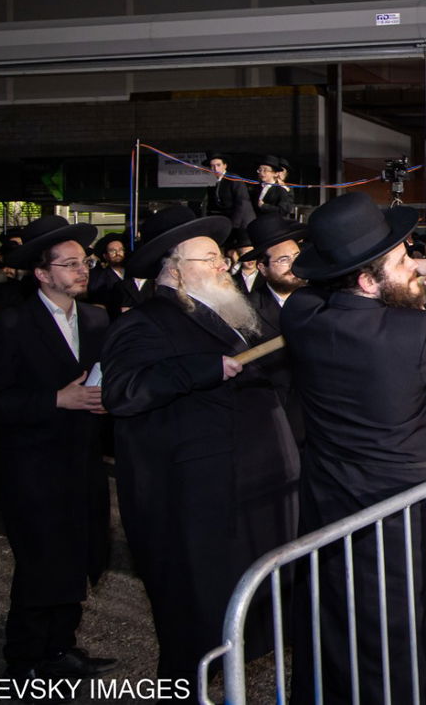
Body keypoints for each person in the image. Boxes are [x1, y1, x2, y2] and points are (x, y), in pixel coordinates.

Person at [281, 192, 426, 705]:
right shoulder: (413, 332)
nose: (414, 266)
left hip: (332, 494)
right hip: (403, 507)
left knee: (336, 609)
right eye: (402, 260)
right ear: (365, 279)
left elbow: (315, 293)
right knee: (404, 618)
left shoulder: (302, 316)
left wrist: (404, 270)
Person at [102, 206, 299, 679]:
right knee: (195, 613)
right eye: (208, 259)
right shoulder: (146, 321)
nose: (222, 267)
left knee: (242, 603)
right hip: (197, 497)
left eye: (219, 257)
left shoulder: (232, 316)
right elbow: (123, 391)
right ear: (174, 268)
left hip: (250, 485)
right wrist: (205, 369)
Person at [0, 215, 114, 680]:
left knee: (79, 556)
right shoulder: (11, 325)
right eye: (70, 264)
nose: (82, 270)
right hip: (31, 467)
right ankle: (26, 656)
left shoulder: (96, 317)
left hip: (83, 461)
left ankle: (60, 647)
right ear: (42, 273)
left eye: (84, 262)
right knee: (41, 563)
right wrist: (57, 399)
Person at [241, 214, 308, 444]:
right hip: (277, 426)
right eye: (283, 260)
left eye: (296, 256)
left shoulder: (323, 299)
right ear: (263, 267)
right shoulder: (245, 313)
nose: (293, 266)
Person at [199, 152, 256, 230]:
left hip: (242, 222)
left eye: (218, 165)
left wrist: (234, 224)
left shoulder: (233, 179)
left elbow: (242, 202)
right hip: (229, 221)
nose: (216, 169)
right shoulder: (217, 182)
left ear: (225, 166)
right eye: (212, 166)